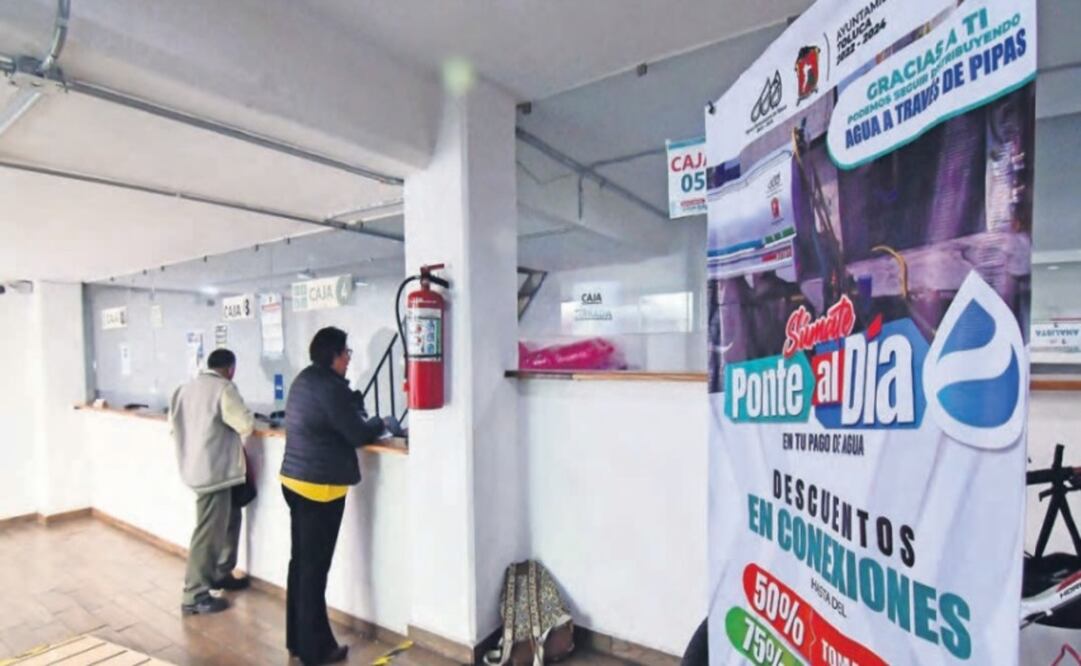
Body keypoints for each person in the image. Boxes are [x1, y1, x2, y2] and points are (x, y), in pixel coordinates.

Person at [280, 327, 387, 665]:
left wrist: (350, 405)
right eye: (346, 353)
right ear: (334, 355)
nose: (349, 358)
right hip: (319, 489)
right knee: (314, 572)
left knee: (300, 566)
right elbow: (356, 433)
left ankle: (297, 642)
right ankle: (318, 651)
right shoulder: (329, 387)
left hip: (294, 482)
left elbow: (333, 418)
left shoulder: (305, 380)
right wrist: (381, 423)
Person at [169, 348, 255, 615]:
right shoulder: (224, 389)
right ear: (231, 368)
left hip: (195, 468)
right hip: (215, 473)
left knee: (231, 519)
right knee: (208, 533)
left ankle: (221, 572)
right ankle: (194, 594)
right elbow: (245, 425)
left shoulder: (185, 389)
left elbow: (173, 426)